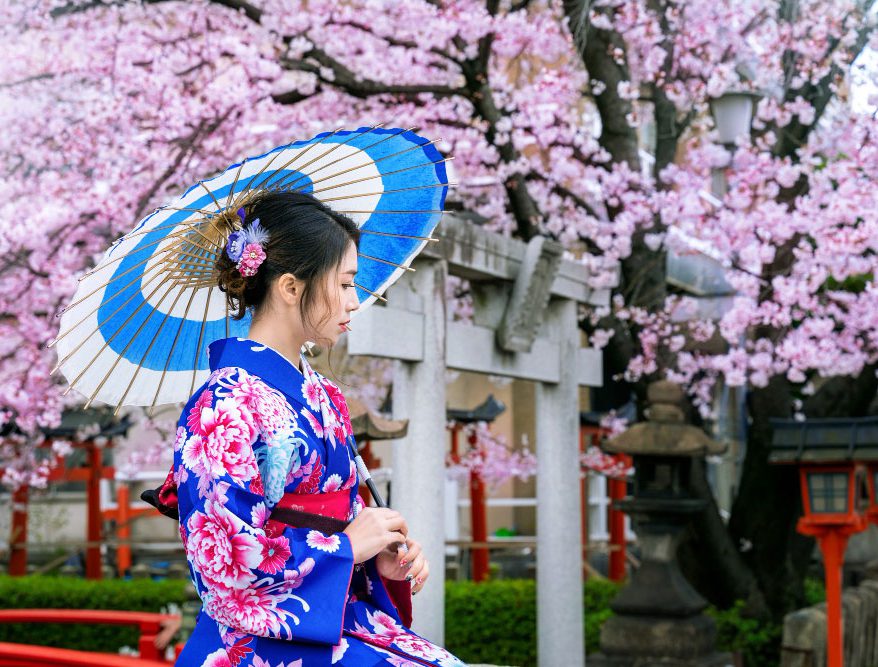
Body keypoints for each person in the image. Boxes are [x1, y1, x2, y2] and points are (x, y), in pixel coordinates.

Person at [172, 191, 465, 666]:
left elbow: (341, 517)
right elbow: (224, 565)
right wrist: (347, 546)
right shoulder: (224, 403)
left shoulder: (323, 394)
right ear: (290, 287)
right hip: (258, 637)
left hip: (333, 614)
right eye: (346, 283)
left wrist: (373, 558)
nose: (355, 300)